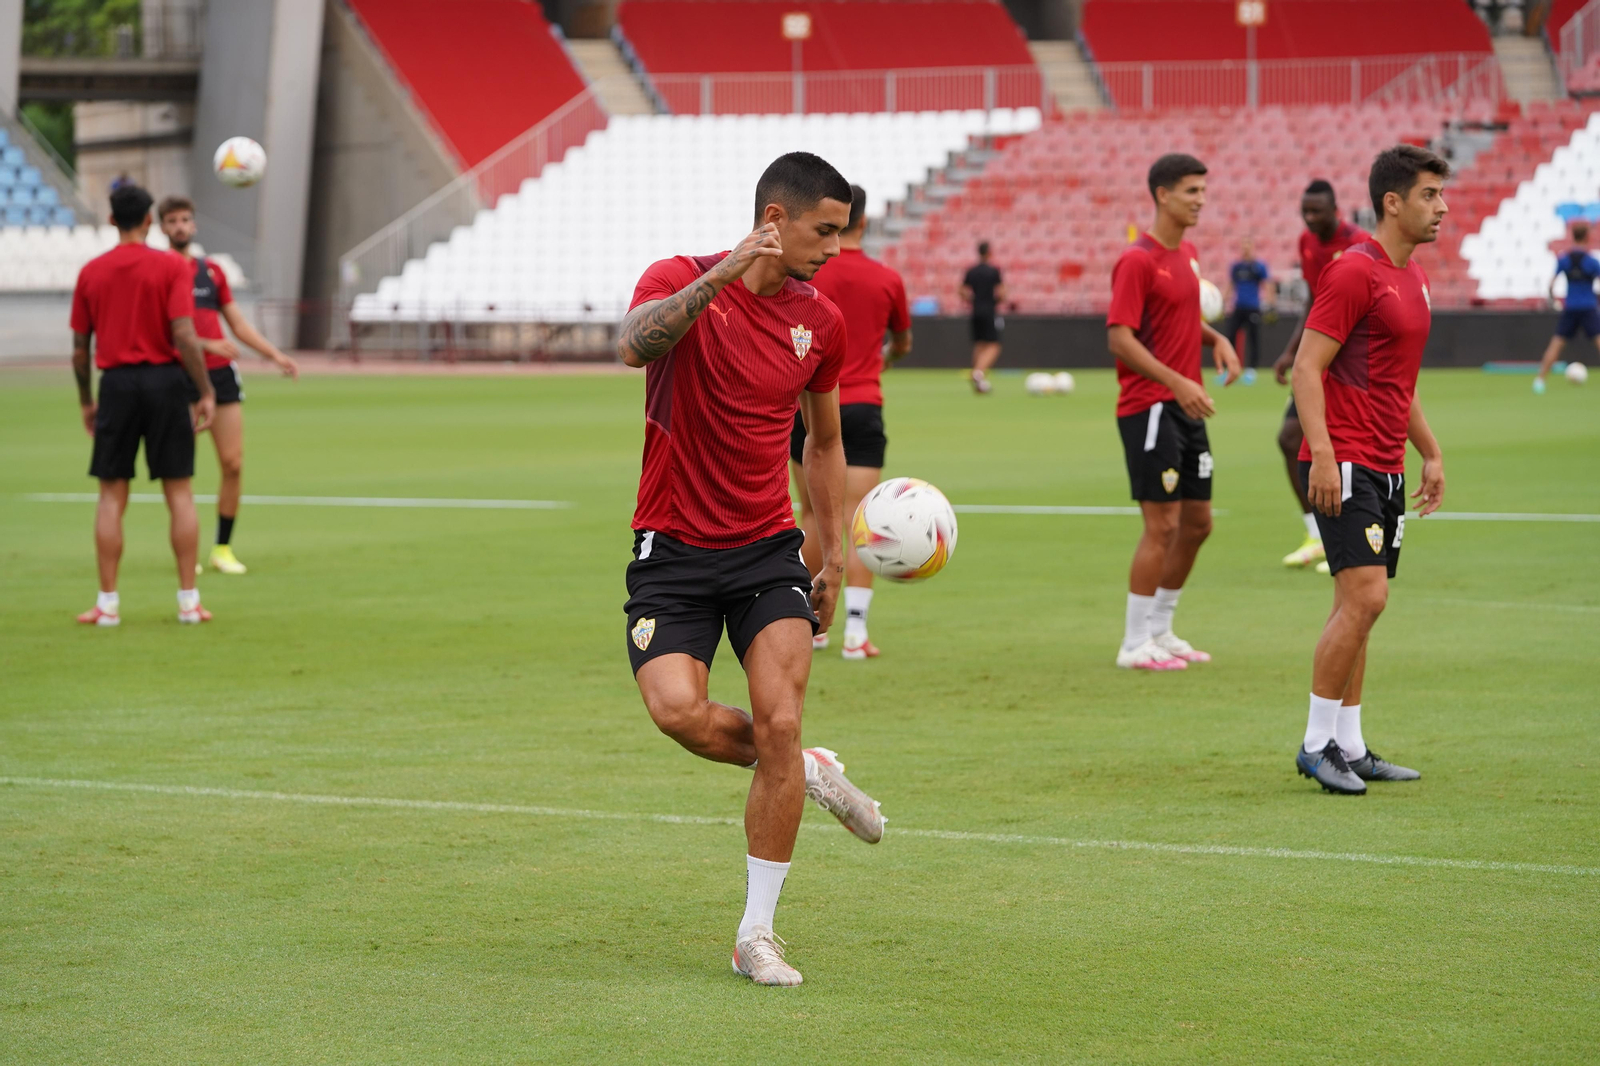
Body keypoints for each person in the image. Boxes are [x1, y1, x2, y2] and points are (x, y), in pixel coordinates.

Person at [616, 152, 885, 987]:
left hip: (768, 550)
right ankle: (806, 771)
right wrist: (729, 269)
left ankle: (756, 933)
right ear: (776, 219)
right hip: (672, 547)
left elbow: (828, 441)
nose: (836, 247)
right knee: (678, 714)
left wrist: (830, 550)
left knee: (777, 720)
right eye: (824, 230)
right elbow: (635, 343)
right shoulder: (679, 276)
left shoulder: (821, 319)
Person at [1291, 144, 1449, 795]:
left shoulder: (1412, 279)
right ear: (1393, 201)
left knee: (1361, 607)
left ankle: (1350, 745)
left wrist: (1430, 452)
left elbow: (1397, 385)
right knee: (1366, 598)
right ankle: (1313, 744)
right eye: (1429, 196)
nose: (1442, 207)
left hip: (1385, 465)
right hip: (1348, 460)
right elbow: (1307, 368)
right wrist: (1324, 455)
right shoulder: (1353, 273)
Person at [1107, 153, 1242, 671]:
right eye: (1191, 191)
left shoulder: (1185, 253)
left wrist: (1216, 338)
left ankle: (1160, 629)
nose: (1200, 200)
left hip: (1185, 406)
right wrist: (1178, 380)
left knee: (1198, 523)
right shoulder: (1136, 260)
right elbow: (1120, 336)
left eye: (1203, 191)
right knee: (1161, 526)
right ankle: (1133, 642)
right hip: (1151, 408)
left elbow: (1180, 316)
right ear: (1162, 195)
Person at [71, 183, 216, 626]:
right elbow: (185, 335)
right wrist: (205, 390)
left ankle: (108, 604)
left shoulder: (92, 272)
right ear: (150, 220)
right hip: (165, 382)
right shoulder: (172, 267)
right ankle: (189, 602)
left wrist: (86, 401)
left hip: (115, 384)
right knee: (180, 492)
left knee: (112, 495)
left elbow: (80, 349)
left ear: (112, 220)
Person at [791, 184, 911, 660]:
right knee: (861, 518)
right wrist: (883, 358)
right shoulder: (886, 279)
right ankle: (856, 634)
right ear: (865, 222)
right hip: (863, 404)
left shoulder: (810, 275)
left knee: (812, 514)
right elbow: (902, 342)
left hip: (809, 404)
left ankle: (810, 625)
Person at [158, 196, 300, 575]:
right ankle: (186, 549)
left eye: (185, 219)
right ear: (161, 228)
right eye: (172, 221)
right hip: (180, 375)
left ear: (194, 225)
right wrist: (204, 344)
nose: (180, 226)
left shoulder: (212, 272)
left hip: (221, 374)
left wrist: (275, 355)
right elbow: (160, 333)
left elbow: (238, 324)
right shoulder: (159, 272)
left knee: (233, 464)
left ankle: (222, 548)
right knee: (180, 469)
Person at [1274, 180, 1371, 572]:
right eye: (1306, 211)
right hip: (1318, 358)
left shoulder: (1360, 243)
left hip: (1350, 362)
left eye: (1318, 211)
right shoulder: (1307, 243)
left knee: (1349, 447)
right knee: (1290, 437)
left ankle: (1353, 536)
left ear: (1336, 209)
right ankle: (1316, 535)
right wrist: (1292, 350)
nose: (1311, 219)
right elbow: (1317, 300)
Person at [1533, 220, 1600, 393]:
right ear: (1587, 237)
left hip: (1570, 308)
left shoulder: (1564, 260)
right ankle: (1540, 380)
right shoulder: (1592, 262)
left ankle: (1540, 381)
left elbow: (1551, 284)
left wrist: (1552, 299)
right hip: (1588, 307)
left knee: (1556, 345)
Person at [1224, 238, 1272, 384]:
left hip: (1253, 307)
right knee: (1230, 337)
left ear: (1252, 248)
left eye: (1248, 246)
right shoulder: (1236, 267)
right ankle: (1230, 368)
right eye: (1243, 247)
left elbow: (1267, 285)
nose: (1245, 249)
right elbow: (1231, 285)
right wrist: (1223, 301)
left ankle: (1251, 370)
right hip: (1238, 307)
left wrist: (1271, 304)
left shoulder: (1258, 266)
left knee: (1253, 339)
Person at [960, 242, 1005, 394]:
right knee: (994, 345)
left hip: (975, 311)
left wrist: (973, 300)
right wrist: (995, 301)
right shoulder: (993, 271)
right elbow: (1002, 293)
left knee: (979, 345)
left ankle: (979, 383)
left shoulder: (971, 271)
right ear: (989, 253)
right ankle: (978, 373)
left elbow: (961, 290)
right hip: (989, 311)